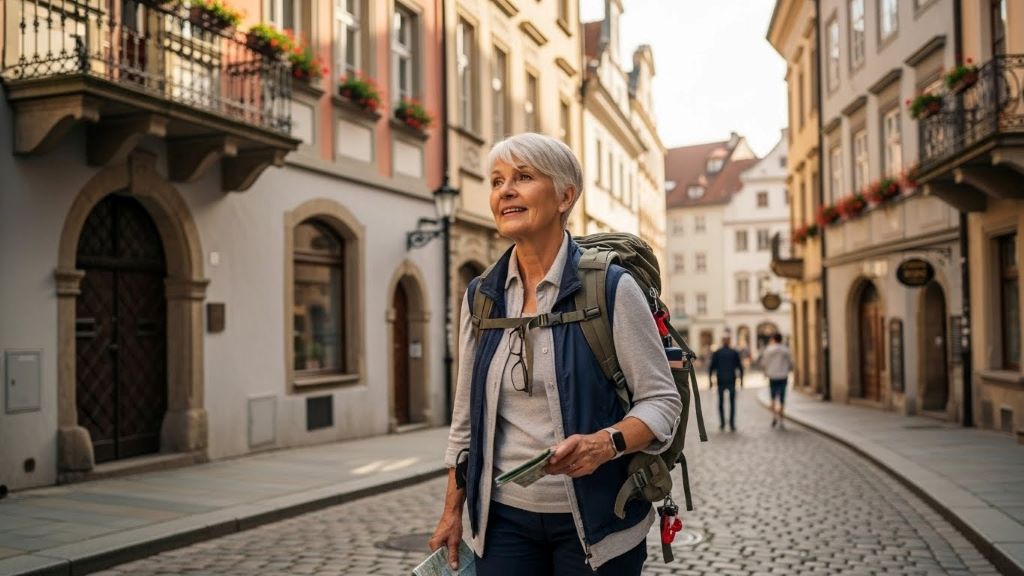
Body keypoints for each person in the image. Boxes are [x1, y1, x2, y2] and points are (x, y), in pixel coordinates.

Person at [429, 133, 682, 575]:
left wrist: (606, 443)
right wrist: (452, 510)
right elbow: (465, 419)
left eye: (523, 177)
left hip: (601, 523)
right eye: (497, 180)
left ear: (566, 195)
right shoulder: (482, 296)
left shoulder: (611, 289)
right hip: (504, 523)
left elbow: (662, 402)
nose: (505, 191)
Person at [708, 335, 743, 431]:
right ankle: (731, 424)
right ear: (729, 341)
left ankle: (723, 423)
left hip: (721, 380)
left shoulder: (717, 353)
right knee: (732, 403)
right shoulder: (734, 352)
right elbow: (740, 367)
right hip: (731, 380)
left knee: (721, 403)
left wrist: (710, 382)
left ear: (722, 341)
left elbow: (711, 368)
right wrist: (741, 381)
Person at [760, 333, 793, 428]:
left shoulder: (768, 350)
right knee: (782, 398)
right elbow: (790, 363)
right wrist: (789, 370)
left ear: (773, 339)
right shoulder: (785, 350)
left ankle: (774, 417)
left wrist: (765, 373)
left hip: (772, 376)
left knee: (773, 398)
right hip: (783, 376)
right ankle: (781, 419)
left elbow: (764, 363)